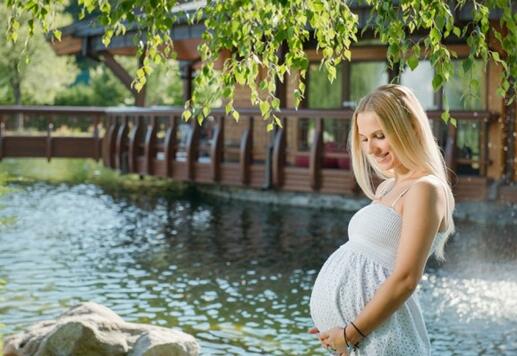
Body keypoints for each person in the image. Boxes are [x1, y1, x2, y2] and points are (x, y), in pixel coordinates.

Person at [308, 84, 455, 355]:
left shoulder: (425, 189)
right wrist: (336, 324)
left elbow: (406, 279)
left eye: (379, 135)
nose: (371, 149)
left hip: (384, 338)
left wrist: (350, 333)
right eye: (364, 138)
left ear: (411, 126)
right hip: (362, 339)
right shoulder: (388, 186)